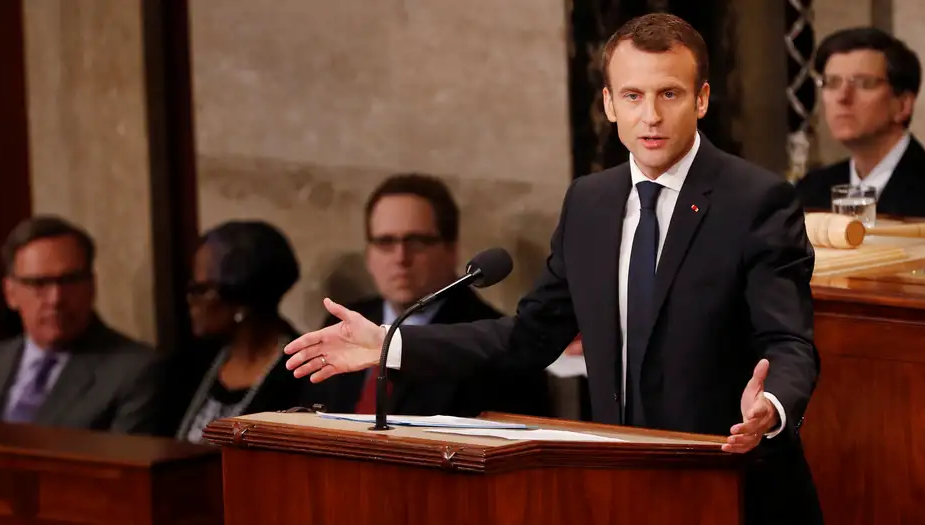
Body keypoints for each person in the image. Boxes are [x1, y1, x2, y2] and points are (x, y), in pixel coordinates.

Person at [284, 13, 822, 524]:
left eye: (669, 94)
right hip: (624, 488)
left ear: (701, 99)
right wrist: (390, 344)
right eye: (633, 96)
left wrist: (772, 405)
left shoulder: (756, 200)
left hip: (734, 485)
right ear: (608, 103)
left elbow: (789, 341)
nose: (651, 117)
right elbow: (528, 338)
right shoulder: (589, 202)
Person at [300, 174, 551, 418]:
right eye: (386, 242)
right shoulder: (341, 325)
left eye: (416, 242)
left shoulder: (499, 345)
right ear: (368, 254)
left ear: (451, 250)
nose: (401, 258)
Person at [0, 216, 161, 434]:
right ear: (10, 293)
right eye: (39, 283)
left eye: (69, 281)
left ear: (92, 286)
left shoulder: (134, 372)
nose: (56, 299)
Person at [796, 27, 925, 234]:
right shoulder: (811, 190)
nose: (842, 97)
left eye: (863, 83)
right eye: (832, 83)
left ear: (903, 105)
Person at [170, 221, 305, 443]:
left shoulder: (300, 373)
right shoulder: (191, 364)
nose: (190, 299)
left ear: (241, 298)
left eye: (200, 289)